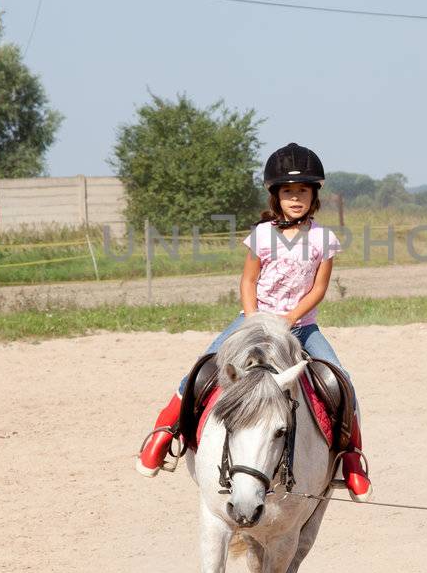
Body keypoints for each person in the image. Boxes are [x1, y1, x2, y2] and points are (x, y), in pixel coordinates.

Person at [135, 142, 371, 499]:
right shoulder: (262, 235)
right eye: (288, 192)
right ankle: (165, 431)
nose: (295, 198)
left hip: (301, 327)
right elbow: (248, 280)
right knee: (203, 367)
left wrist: (290, 319)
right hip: (253, 320)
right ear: (276, 196)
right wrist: (251, 318)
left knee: (343, 380)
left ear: (314, 195)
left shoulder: (324, 238)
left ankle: (351, 459)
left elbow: (319, 288)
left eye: (302, 191)